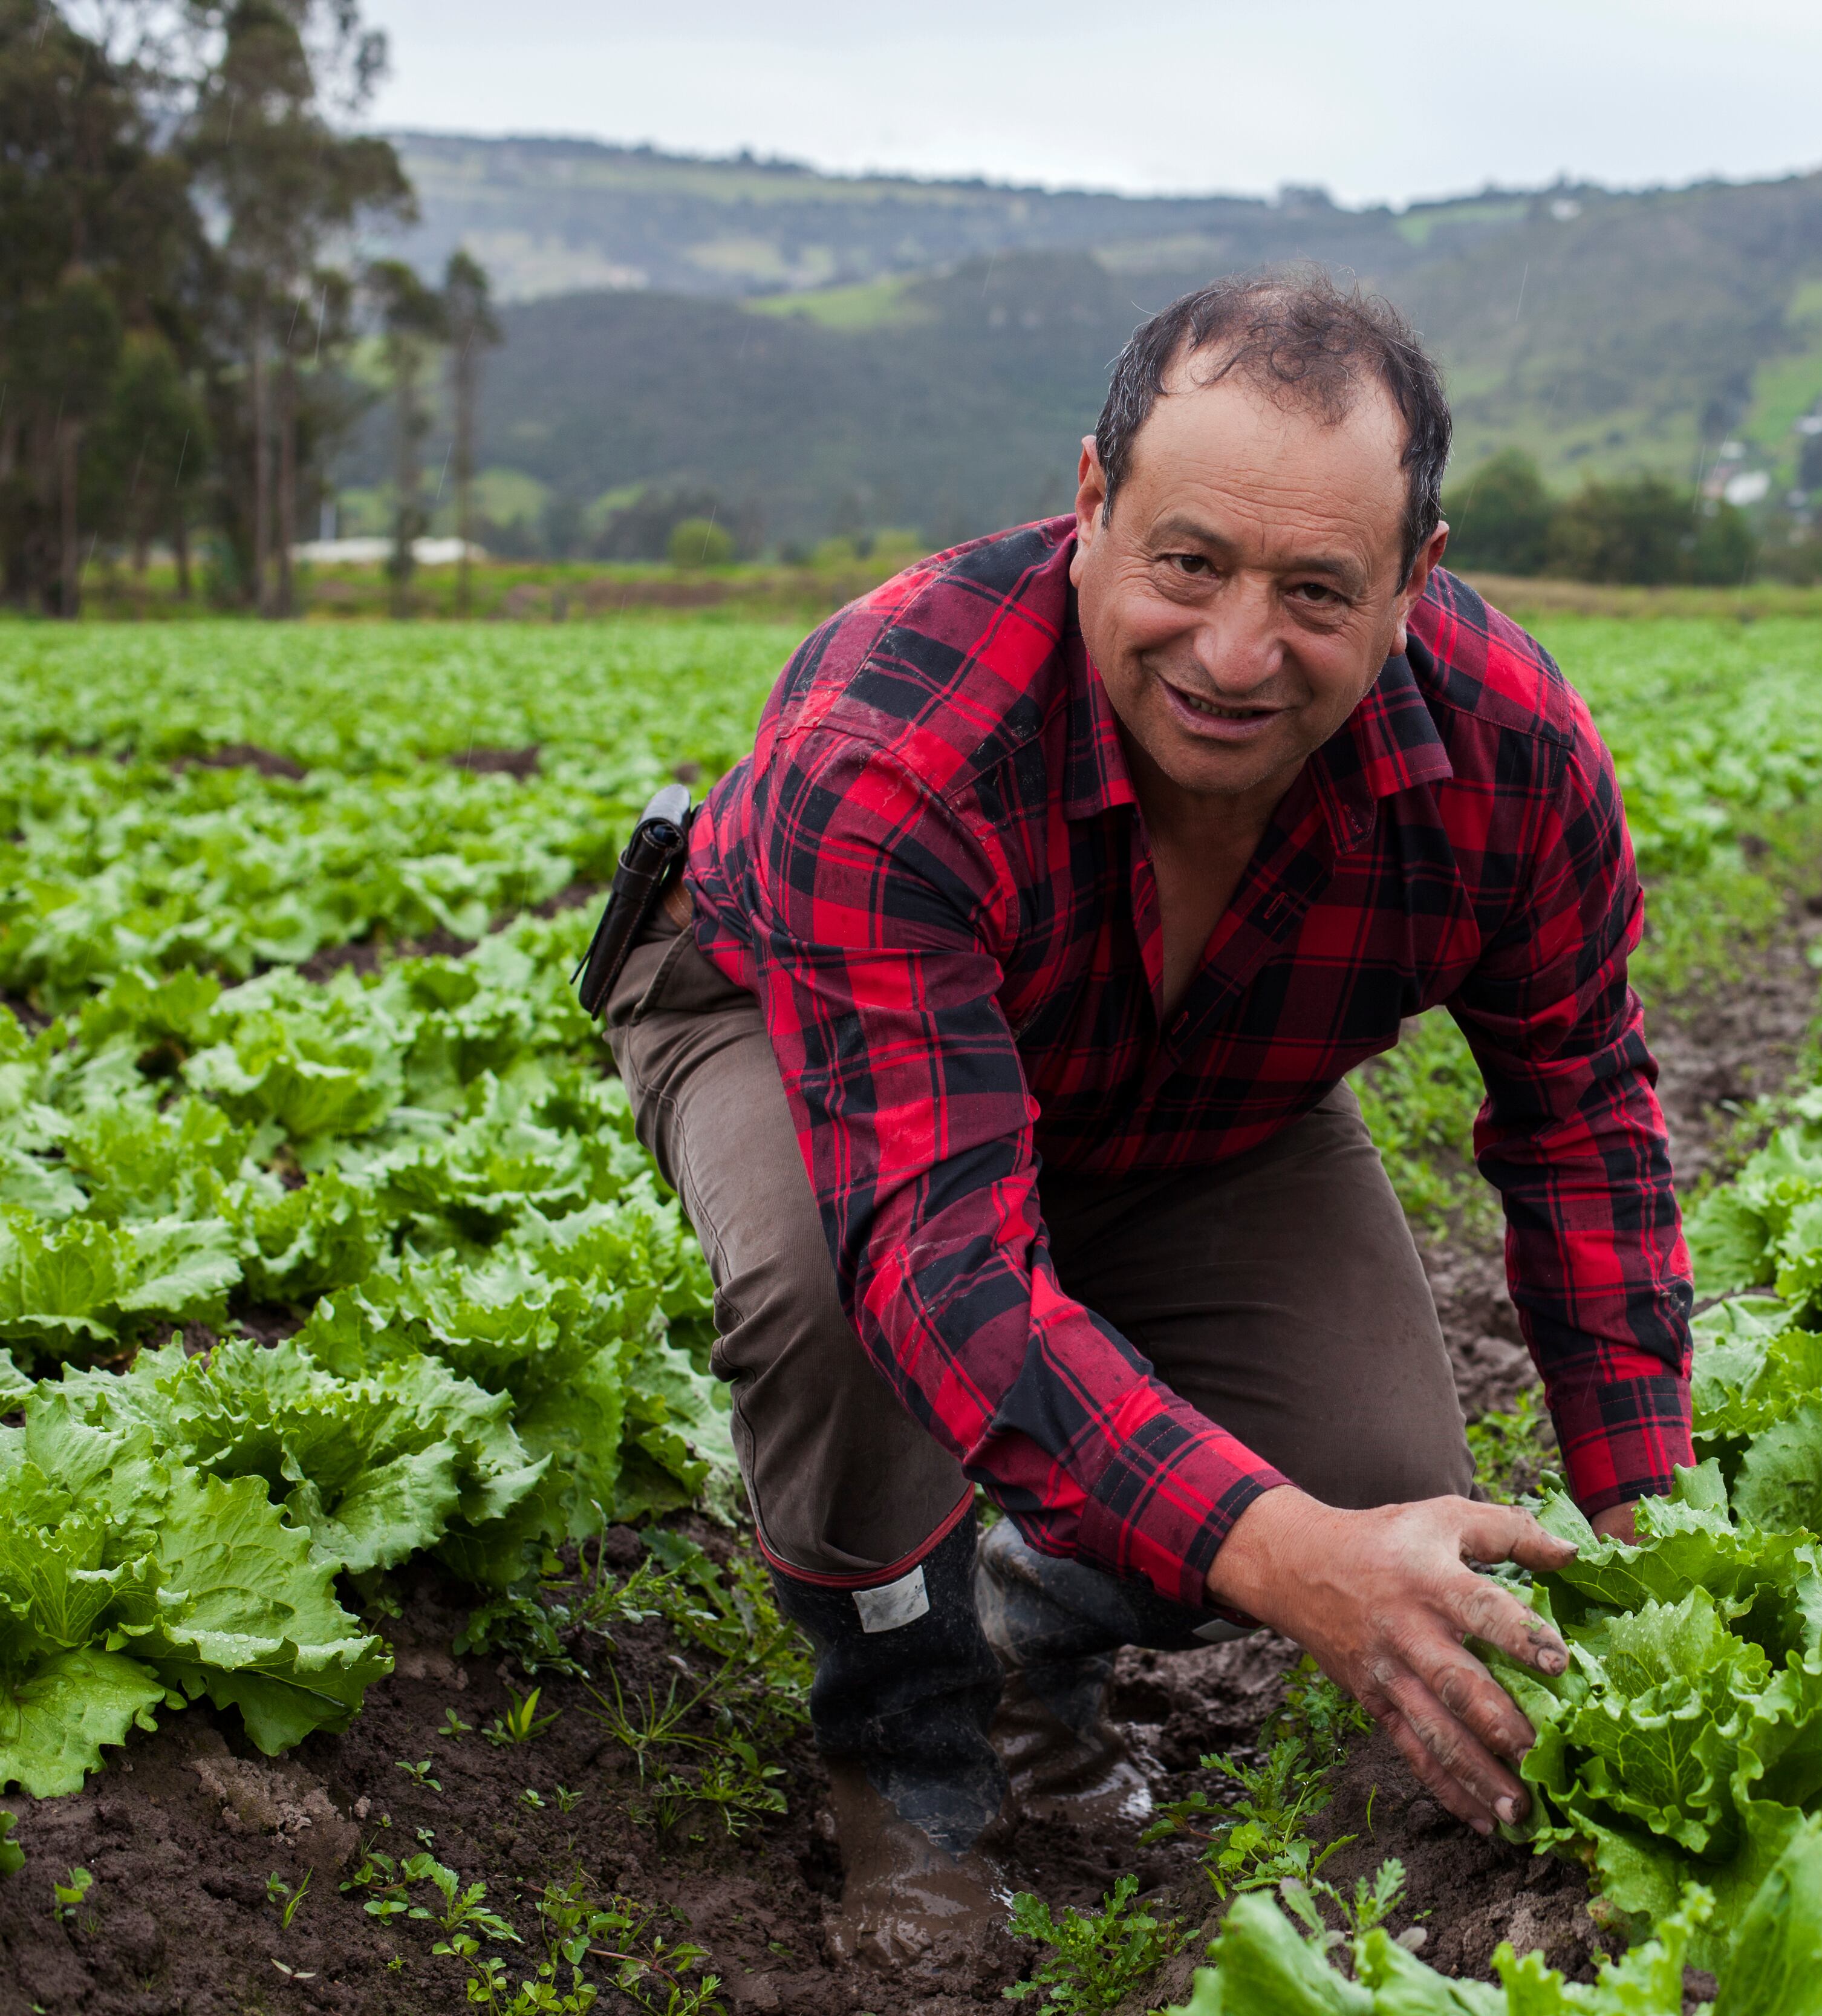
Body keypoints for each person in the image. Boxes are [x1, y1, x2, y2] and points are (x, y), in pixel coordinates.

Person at [594, 271, 1693, 1966]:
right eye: (1190, 563)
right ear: (1094, 506)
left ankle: (1043, 1626)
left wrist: (1656, 1549)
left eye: (1319, 590)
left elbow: (1584, 1125)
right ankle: (913, 1753)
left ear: (1419, 577)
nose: (1239, 654)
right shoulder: (897, 734)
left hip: (1199, 1088)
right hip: (784, 1022)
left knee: (1377, 1477)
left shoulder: (1513, 761)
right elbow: (938, 1264)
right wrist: (1290, 1566)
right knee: (835, 1292)